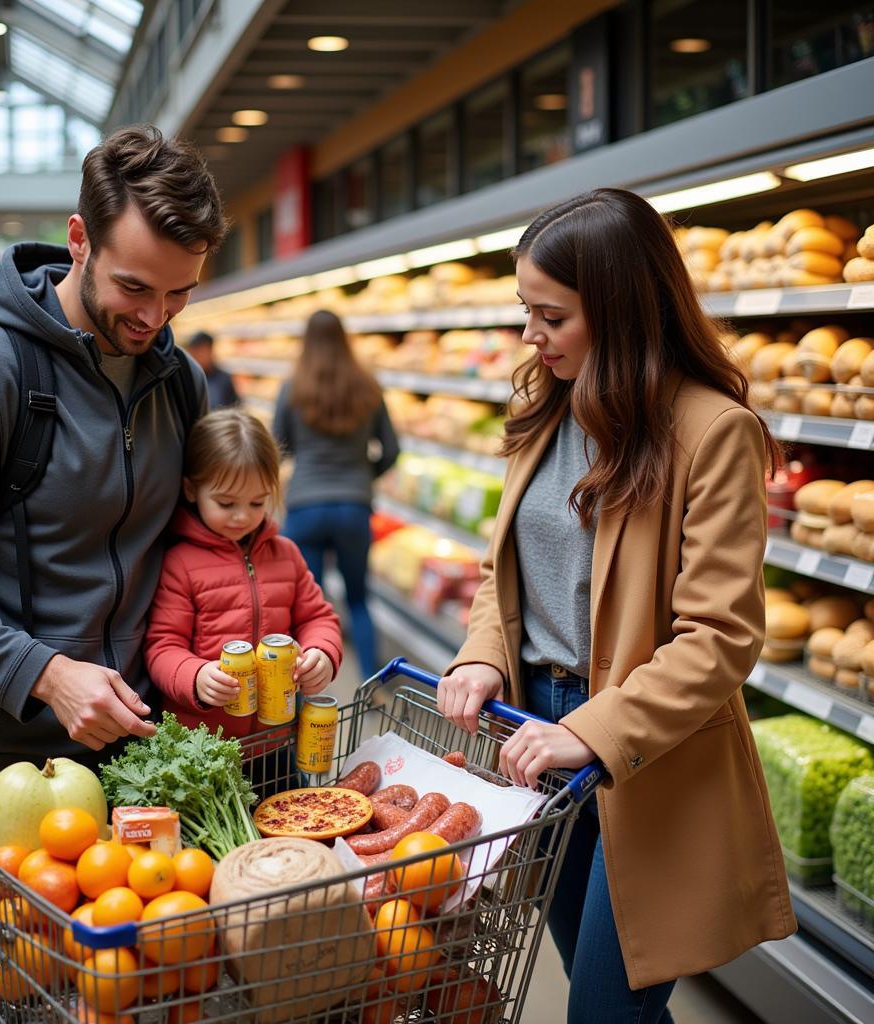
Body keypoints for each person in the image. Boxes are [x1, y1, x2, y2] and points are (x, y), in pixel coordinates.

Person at [0, 124, 226, 1024]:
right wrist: (45, 673)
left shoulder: (175, 380)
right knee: (7, 1010)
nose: (154, 319)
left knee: (122, 1006)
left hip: (133, 759)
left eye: (180, 294)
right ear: (78, 241)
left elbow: (196, 546)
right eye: (134, 287)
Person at [436, 188, 795, 1023]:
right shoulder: (542, 408)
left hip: (647, 755)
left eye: (551, 316)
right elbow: (506, 572)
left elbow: (719, 638)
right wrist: (484, 650)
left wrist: (589, 732)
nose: (531, 336)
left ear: (622, 311)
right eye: (526, 311)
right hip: (533, 736)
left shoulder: (712, 433)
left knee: (604, 1009)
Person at [144, 407, 342, 793]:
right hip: (203, 746)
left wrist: (323, 652)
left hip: (275, 742)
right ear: (191, 490)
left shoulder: (286, 554)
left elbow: (319, 617)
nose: (242, 517)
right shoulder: (180, 563)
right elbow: (162, 646)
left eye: (257, 503)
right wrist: (195, 676)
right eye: (226, 502)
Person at [272, 309, 399, 682]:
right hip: (353, 507)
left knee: (305, 608)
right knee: (359, 599)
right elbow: (391, 449)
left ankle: (296, 690)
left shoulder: (293, 387)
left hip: (304, 506)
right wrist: (362, 478)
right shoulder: (367, 386)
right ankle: (375, 685)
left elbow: (278, 446)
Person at [187, 329, 240, 408]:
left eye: (200, 351)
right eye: (194, 352)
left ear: (210, 350)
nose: (196, 356)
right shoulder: (187, 377)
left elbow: (235, 407)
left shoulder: (224, 379)